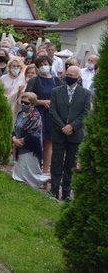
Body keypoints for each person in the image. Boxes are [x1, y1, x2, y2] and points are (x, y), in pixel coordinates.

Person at [49, 66, 91, 201]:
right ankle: (54, 190)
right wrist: (63, 127)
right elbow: (52, 111)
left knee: (70, 163)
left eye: (71, 74)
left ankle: (66, 192)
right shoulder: (56, 91)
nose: (68, 76)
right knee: (56, 162)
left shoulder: (85, 93)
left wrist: (72, 126)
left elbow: (85, 113)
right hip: (59, 132)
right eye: (67, 74)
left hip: (75, 133)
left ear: (78, 77)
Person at [25, 56, 62, 175]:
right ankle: (32, 171)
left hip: (52, 115)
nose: (43, 67)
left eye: (45, 64)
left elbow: (62, 97)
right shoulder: (34, 81)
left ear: (50, 65)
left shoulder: (57, 81)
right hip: (37, 114)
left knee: (48, 144)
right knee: (35, 142)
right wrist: (42, 102)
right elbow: (27, 98)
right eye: (40, 65)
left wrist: (53, 103)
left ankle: (45, 172)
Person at [11, 92, 51, 188]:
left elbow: (33, 133)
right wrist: (14, 139)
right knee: (19, 173)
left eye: (27, 103)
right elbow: (15, 129)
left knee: (30, 175)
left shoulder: (36, 116)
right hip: (18, 147)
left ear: (33, 104)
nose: (24, 105)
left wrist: (20, 141)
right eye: (22, 102)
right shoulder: (20, 114)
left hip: (30, 148)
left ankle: (47, 179)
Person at [0, 57, 26, 121]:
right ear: (9, 67)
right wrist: (3, 95)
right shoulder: (3, 78)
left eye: (18, 66)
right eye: (13, 66)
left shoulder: (23, 78)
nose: (16, 68)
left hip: (17, 106)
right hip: (5, 103)